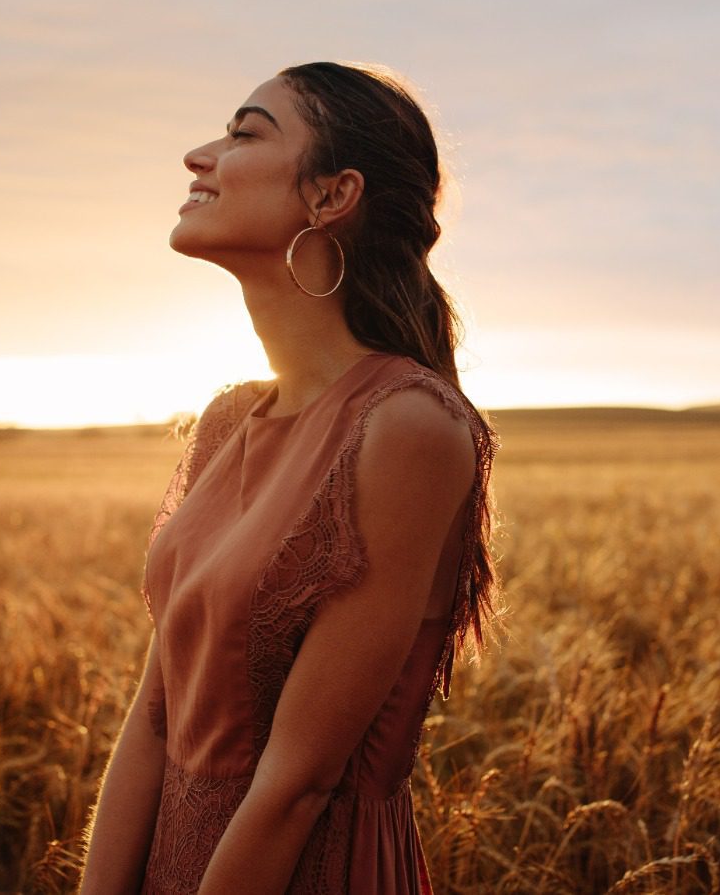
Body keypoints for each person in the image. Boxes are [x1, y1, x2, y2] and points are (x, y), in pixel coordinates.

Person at [80, 62, 498, 895]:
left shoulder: (406, 426)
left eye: (243, 133)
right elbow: (154, 721)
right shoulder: (229, 423)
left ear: (331, 195)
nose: (200, 156)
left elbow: (298, 783)